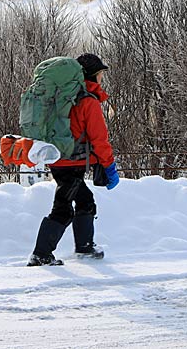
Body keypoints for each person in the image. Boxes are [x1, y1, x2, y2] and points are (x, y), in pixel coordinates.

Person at [27, 53, 119, 266]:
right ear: (91, 75)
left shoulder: (60, 97)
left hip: (57, 158)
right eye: (100, 74)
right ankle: (41, 254)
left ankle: (85, 247)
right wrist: (109, 166)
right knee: (63, 208)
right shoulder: (88, 101)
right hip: (72, 162)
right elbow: (99, 139)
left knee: (85, 201)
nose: (102, 78)